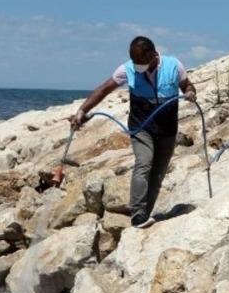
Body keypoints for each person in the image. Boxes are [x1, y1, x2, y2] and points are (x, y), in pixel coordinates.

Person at [70, 36, 196, 228]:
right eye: (134, 61)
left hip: (167, 129)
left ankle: (145, 214)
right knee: (144, 163)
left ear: (153, 55)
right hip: (141, 127)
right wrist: (82, 111)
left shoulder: (174, 66)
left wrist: (190, 92)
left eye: (140, 61)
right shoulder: (127, 69)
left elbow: (187, 85)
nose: (137, 65)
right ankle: (138, 215)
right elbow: (103, 90)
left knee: (158, 173)